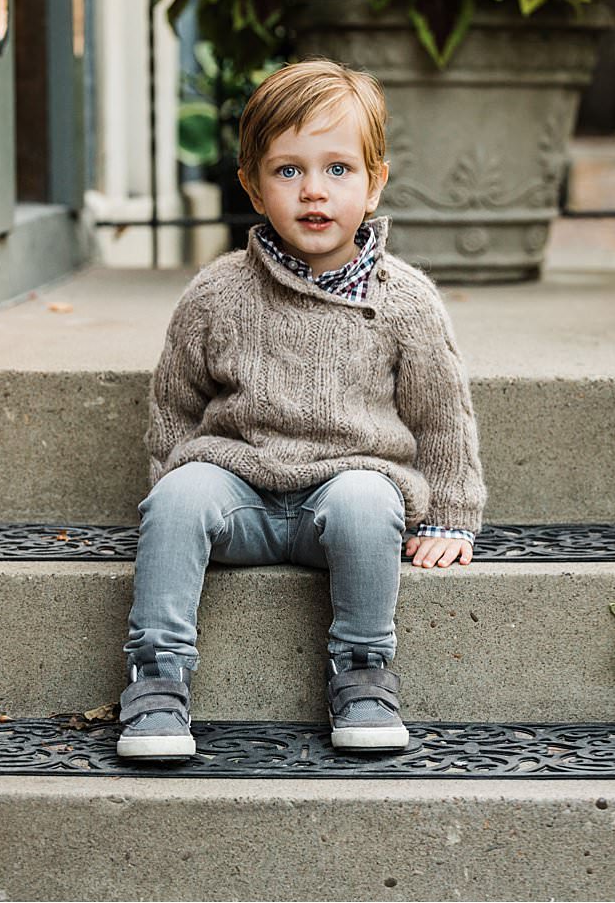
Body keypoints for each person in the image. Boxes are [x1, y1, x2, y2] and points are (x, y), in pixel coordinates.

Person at [117, 58, 486, 759]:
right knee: (176, 497)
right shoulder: (217, 292)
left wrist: (452, 517)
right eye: (288, 171)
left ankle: (363, 674)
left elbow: (442, 417)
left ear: (375, 183)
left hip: (345, 500)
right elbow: (175, 402)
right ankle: (157, 683)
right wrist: (178, 495)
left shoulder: (404, 300)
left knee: (363, 501)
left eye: (338, 170)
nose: (314, 191)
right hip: (239, 492)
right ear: (253, 186)